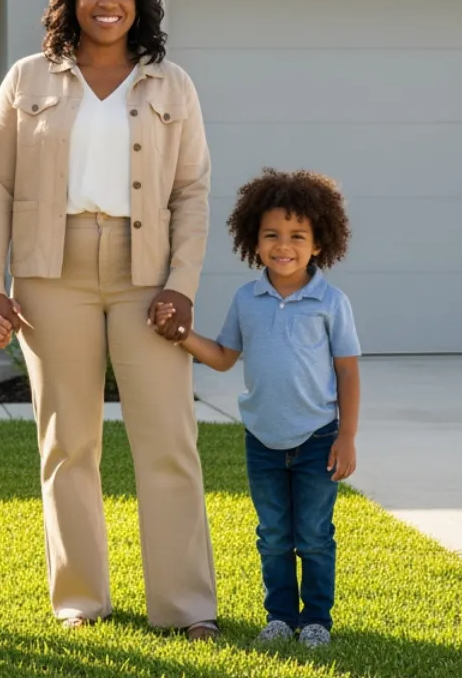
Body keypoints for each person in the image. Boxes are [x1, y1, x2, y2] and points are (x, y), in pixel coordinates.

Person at [0, 0, 219, 638]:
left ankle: (187, 606)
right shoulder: (27, 81)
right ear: (69, 0)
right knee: (67, 442)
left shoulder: (174, 85)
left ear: (140, 4)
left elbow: (193, 192)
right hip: (53, 272)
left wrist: (182, 284)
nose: (106, 3)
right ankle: (80, 600)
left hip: (148, 276)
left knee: (168, 439)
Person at [157, 167, 361, 649]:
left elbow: (348, 371)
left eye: (297, 235)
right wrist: (182, 336)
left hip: (317, 438)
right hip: (262, 440)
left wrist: (347, 436)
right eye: (271, 234)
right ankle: (279, 617)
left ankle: (316, 621)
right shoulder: (247, 300)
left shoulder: (330, 302)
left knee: (312, 535)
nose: (283, 245)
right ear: (254, 239)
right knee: (272, 535)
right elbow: (225, 357)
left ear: (318, 243)